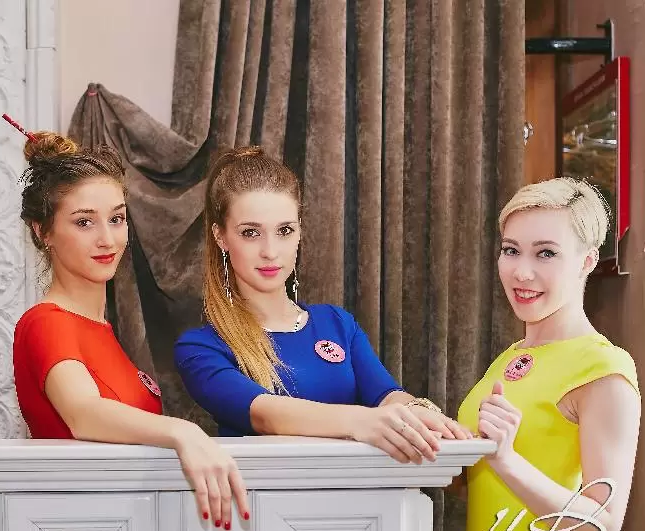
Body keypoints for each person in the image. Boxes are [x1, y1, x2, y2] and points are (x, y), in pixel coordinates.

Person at [10, 126, 249, 530]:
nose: (108, 239)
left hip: (118, 527)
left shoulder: (101, 328)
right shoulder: (44, 323)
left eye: (117, 219)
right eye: (84, 222)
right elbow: (84, 414)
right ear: (42, 231)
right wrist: (185, 433)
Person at [173, 146, 470, 464]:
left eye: (284, 231)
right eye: (250, 233)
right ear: (220, 237)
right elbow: (266, 415)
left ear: (299, 232)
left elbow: (386, 395)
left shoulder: (337, 323)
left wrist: (417, 413)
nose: (270, 251)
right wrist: (362, 421)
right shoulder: (201, 348)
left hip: (357, 495)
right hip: (263, 496)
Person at [457, 177, 641, 531]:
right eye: (511, 250)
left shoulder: (603, 369)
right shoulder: (513, 356)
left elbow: (602, 529)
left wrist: (507, 459)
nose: (522, 271)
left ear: (586, 262)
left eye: (546, 253)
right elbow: (488, 485)